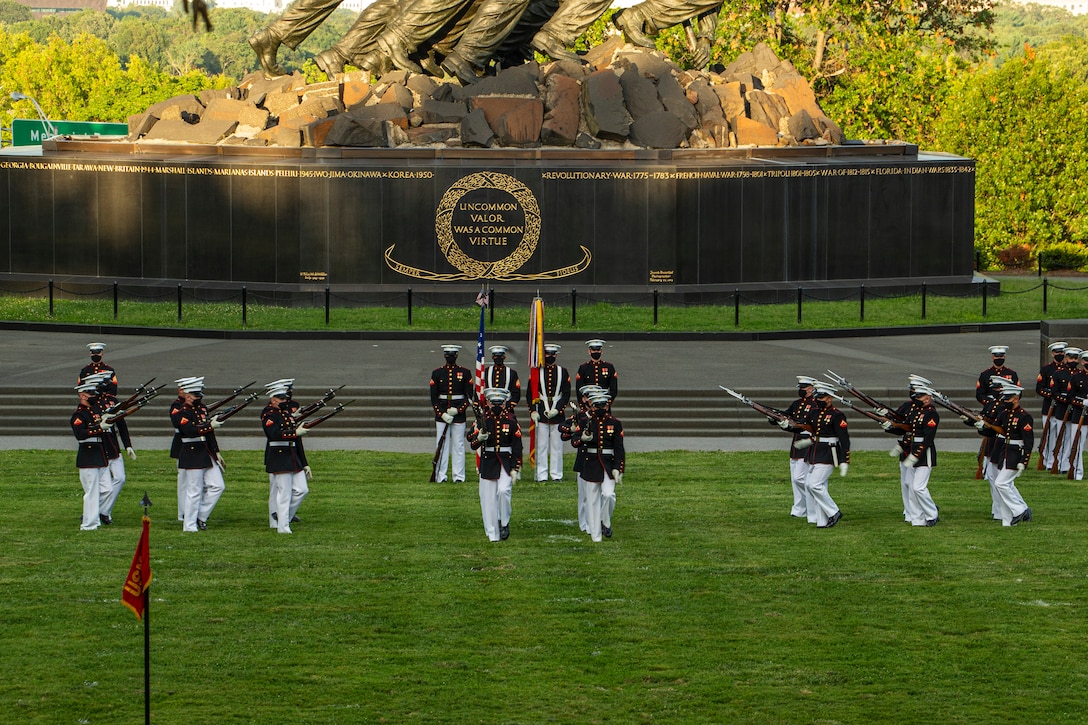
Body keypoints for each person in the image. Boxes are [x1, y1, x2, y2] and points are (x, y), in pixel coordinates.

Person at [468, 387, 523, 542]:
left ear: (505, 403)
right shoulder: (483, 419)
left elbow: (517, 445)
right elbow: (471, 442)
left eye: (500, 403)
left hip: (505, 461)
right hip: (488, 461)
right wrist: (479, 437)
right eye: (493, 403)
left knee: (504, 491)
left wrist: (515, 467)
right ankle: (492, 533)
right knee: (488, 499)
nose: (496, 406)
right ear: (489, 403)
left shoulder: (511, 420)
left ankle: (504, 522)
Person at [172, 377, 226, 532]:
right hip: (191, 452)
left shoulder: (201, 409)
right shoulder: (182, 412)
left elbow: (210, 434)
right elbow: (188, 431)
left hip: (206, 451)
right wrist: (208, 425)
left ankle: (200, 516)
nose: (199, 398)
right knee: (194, 490)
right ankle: (189, 525)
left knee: (218, 486)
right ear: (188, 396)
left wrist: (216, 452)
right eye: (196, 395)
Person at [570, 390, 624, 541]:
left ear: (607, 407)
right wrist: (582, 438)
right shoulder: (585, 421)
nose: (600, 409)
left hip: (608, 465)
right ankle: (596, 536)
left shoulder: (614, 423)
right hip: (591, 464)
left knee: (608, 495)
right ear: (592, 407)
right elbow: (574, 442)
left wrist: (618, 468)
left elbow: (619, 449)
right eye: (597, 406)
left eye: (603, 405)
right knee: (592, 500)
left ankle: (605, 521)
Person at [83, 371, 134, 526]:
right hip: (100, 446)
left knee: (120, 478)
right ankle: (94, 513)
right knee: (101, 486)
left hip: (112, 445)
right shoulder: (90, 406)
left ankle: (103, 511)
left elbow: (121, 425)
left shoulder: (112, 401)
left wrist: (128, 446)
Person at [979, 382, 1034, 526]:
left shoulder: (1024, 417)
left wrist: (1024, 461)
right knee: (1002, 485)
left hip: (1016, 454)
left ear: (1016, 398)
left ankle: (1020, 509)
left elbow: (1028, 442)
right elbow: (993, 430)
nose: (1005, 401)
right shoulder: (1005, 414)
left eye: (1008, 399)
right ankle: (1008, 521)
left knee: (1001, 483)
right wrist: (980, 426)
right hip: (1005, 451)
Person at [261, 381, 310, 534]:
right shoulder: (268, 414)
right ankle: (283, 526)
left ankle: (283, 515)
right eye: (281, 399)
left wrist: (305, 462)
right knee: (284, 492)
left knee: (302, 490)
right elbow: (273, 434)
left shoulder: (286, 414)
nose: (285, 401)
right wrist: (294, 433)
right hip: (279, 456)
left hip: (292, 455)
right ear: (273, 399)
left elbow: (296, 440)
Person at [800, 383, 846, 528]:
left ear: (830, 397)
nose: (819, 400)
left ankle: (834, 512)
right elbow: (802, 425)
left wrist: (844, 459)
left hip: (828, 452)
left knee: (814, 484)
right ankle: (822, 520)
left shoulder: (837, 415)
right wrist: (783, 423)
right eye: (818, 397)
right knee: (811, 485)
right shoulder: (814, 413)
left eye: (822, 397)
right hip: (815, 451)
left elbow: (844, 439)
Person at [772, 375, 818, 519]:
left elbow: (806, 423)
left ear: (811, 389)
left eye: (804, 388)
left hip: (808, 441)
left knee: (800, 478)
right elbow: (786, 414)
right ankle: (799, 509)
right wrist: (773, 417)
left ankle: (813, 505)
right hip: (797, 442)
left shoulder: (816, 404)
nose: (801, 390)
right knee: (795, 479)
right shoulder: (797, 403)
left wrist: (791, 424)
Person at [560, 384, 602, 534]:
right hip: (584, 458)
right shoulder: (581, 415)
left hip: (599, 458)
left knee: (600, 493)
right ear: (584, 399)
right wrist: (572, 429)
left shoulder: (602, 415)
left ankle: (598, 521)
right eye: (590, 398)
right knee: (584, 494)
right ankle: (585, 523)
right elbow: (563, 428)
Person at [71, 380, 111, 531]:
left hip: (99, 454)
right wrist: (99, 427)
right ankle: (89, 523)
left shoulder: (93, 412)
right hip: (88, 455)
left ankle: (92, 515)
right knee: (91, 492)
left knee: (107, 489)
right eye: (90, 394)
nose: (93, 397)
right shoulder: (79, 415)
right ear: (82, 396)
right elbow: (80, 434)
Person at [430, 344, 472, 483]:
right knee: (441, 444)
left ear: (457, 356)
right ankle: (440, 475)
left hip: (458, 413)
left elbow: (469, 396)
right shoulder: (437, 373)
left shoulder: (465, 373)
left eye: (453, 355)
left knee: (458, 445)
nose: (450, 357)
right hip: (442, 413)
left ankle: (458, 476)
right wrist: (442, 414)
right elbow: (434, 397)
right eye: (448, 355)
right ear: (444, 356)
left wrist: (459, 409)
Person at [900, 383, 940, 526]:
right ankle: (917, 518)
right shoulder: (917, 411)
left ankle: (932, 513)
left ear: (928, 397)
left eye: (920, 396)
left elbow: (928, 438)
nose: (917, 399)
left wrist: (916, 453)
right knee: (911, 487)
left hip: (924, 453)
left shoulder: (931, 413)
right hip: (913, 450)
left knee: (918, 487)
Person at [530, 343, 571, 482]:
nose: (550, 357)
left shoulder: (563, 372)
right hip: (541, 412)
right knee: (541, 446)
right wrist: (532, 411)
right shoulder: (537, 372)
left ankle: (556, 474)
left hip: (557, 414)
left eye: (552, 355)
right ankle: (542, 475)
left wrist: (558, 409)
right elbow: (531, 393)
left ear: (556, 355)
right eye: (547, 354)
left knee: (557, 447)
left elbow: (566, 394)